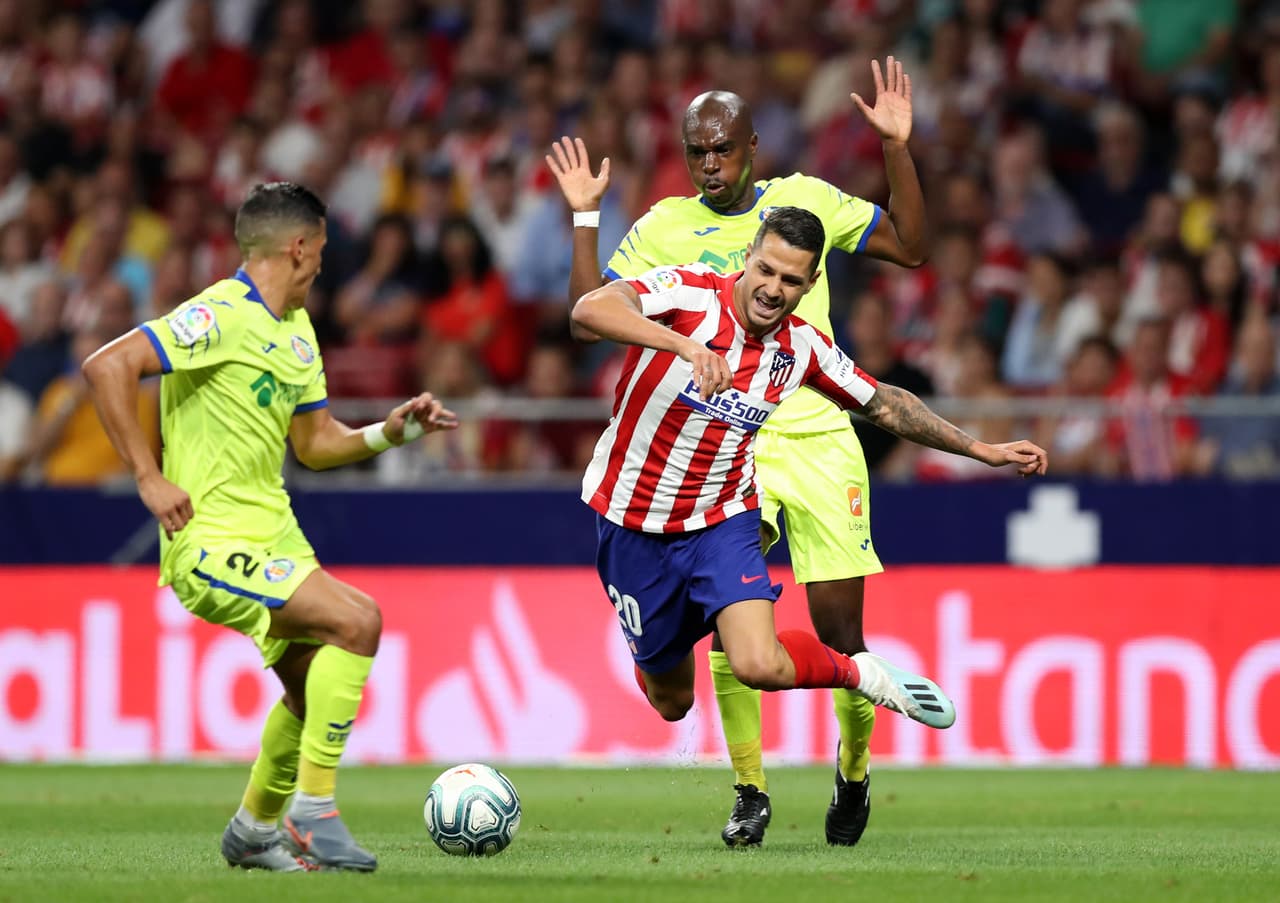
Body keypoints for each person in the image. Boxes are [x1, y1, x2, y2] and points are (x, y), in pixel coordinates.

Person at [572, 206, 1047, 840]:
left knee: (759, 665)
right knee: (672, 701)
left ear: (810, 283)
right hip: (632, 519)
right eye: (765, 270)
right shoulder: (685, 291)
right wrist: (684, 344)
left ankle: (865, 676)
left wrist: (982, 450)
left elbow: (885, 403)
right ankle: (670, 633)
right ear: (747, 259)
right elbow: (587, 313)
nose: (773, 289)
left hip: (721, 517)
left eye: (791, 281)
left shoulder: (801, 348)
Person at [549, 58, 930, 848]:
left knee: (839, 635)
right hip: (728, 444)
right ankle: (750, 788)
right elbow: (588, 312)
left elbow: (912, 246)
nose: (712, 165)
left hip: (819, 434)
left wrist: (896, 147)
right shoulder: (662, 226)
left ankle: (853, 771)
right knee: (735, 628)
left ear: (753, 146)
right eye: (698, 153)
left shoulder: (808, 201)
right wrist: (587, 219)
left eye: (724, 149)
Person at [82, 182, 458, 872]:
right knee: (360, 620)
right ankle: (314, 813)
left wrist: (389, 432)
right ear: (298, 245)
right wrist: (147, 474)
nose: (322, 264)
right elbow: (109, 364)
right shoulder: (219, 314)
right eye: (319, 249)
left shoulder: (297, 327)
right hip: (212, 541)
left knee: (307, 683)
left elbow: (314, 443)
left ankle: (254, 828)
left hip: (274, 534)